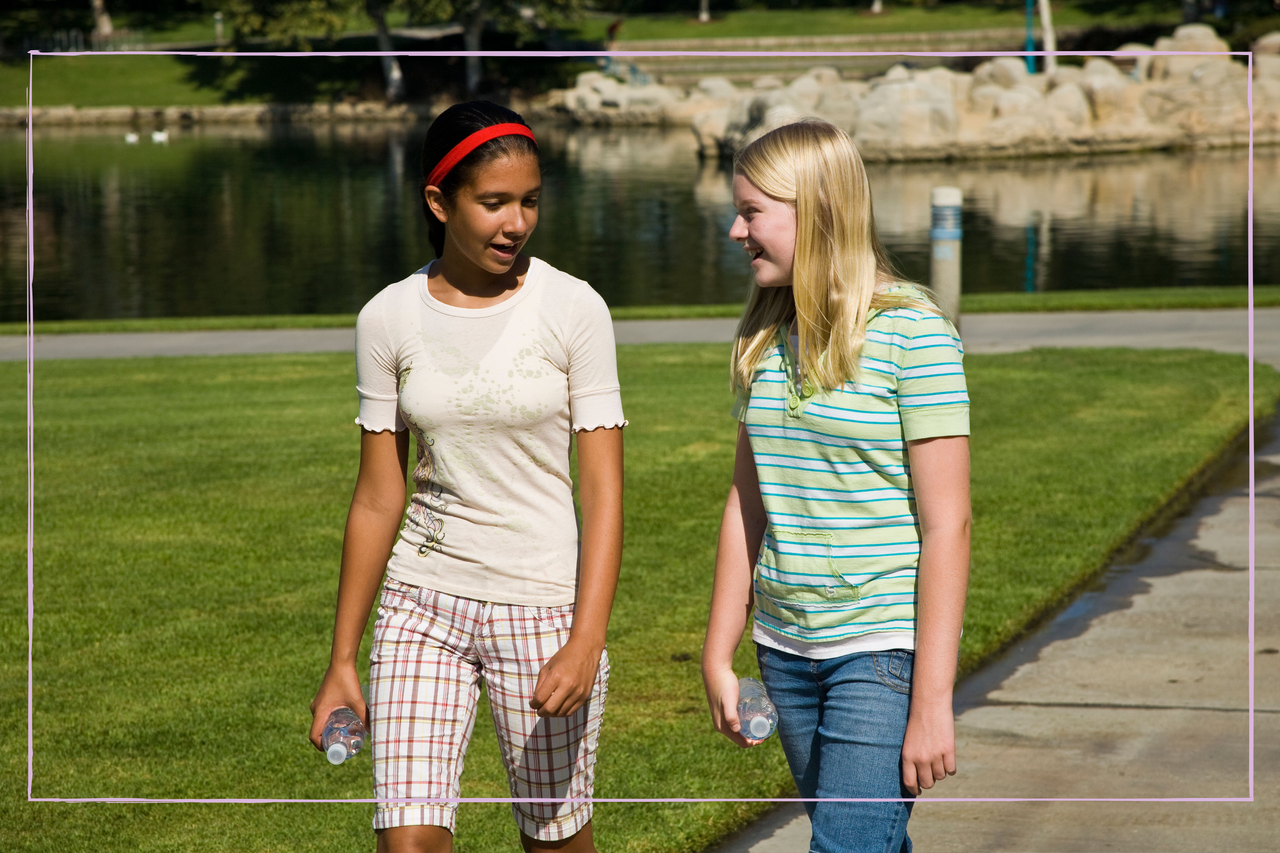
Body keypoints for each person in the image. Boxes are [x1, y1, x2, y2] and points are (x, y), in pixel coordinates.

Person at [309, 101, 626, 853]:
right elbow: (378, 495)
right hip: (422, 604)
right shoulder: (387, 317)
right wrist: (342, 660)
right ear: (438, 201)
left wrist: (586, 639)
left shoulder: (574, 308)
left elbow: (604, 493)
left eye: (530, 201)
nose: (515, 223)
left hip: (542, 609)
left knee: (554, 837)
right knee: (407, 840)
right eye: (493, 203)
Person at [700, 120, 971, 853]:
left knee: (848, 844)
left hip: (878, 650)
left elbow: (949, 525)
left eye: (752, 212)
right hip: (784, 647)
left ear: (815, 211)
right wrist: (718, 650)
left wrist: (932, 704)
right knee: (864, 838)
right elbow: (745, 500)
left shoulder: (915, 335)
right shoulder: (765, 333)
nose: (735, 230)